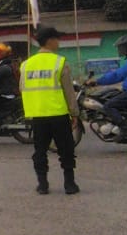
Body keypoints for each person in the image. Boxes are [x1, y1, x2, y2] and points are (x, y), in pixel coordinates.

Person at [19, 25, 81, 195]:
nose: (59, 42)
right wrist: (74, 113)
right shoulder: (59, 62)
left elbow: (22, 88)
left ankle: (42, 184)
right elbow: (68, 91)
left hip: (37, 115)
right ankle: (69, 184)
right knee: (66, 150)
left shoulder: (26, 65)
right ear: (50, 41)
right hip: (58, 114)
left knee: (40, 150)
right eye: (57, 39)